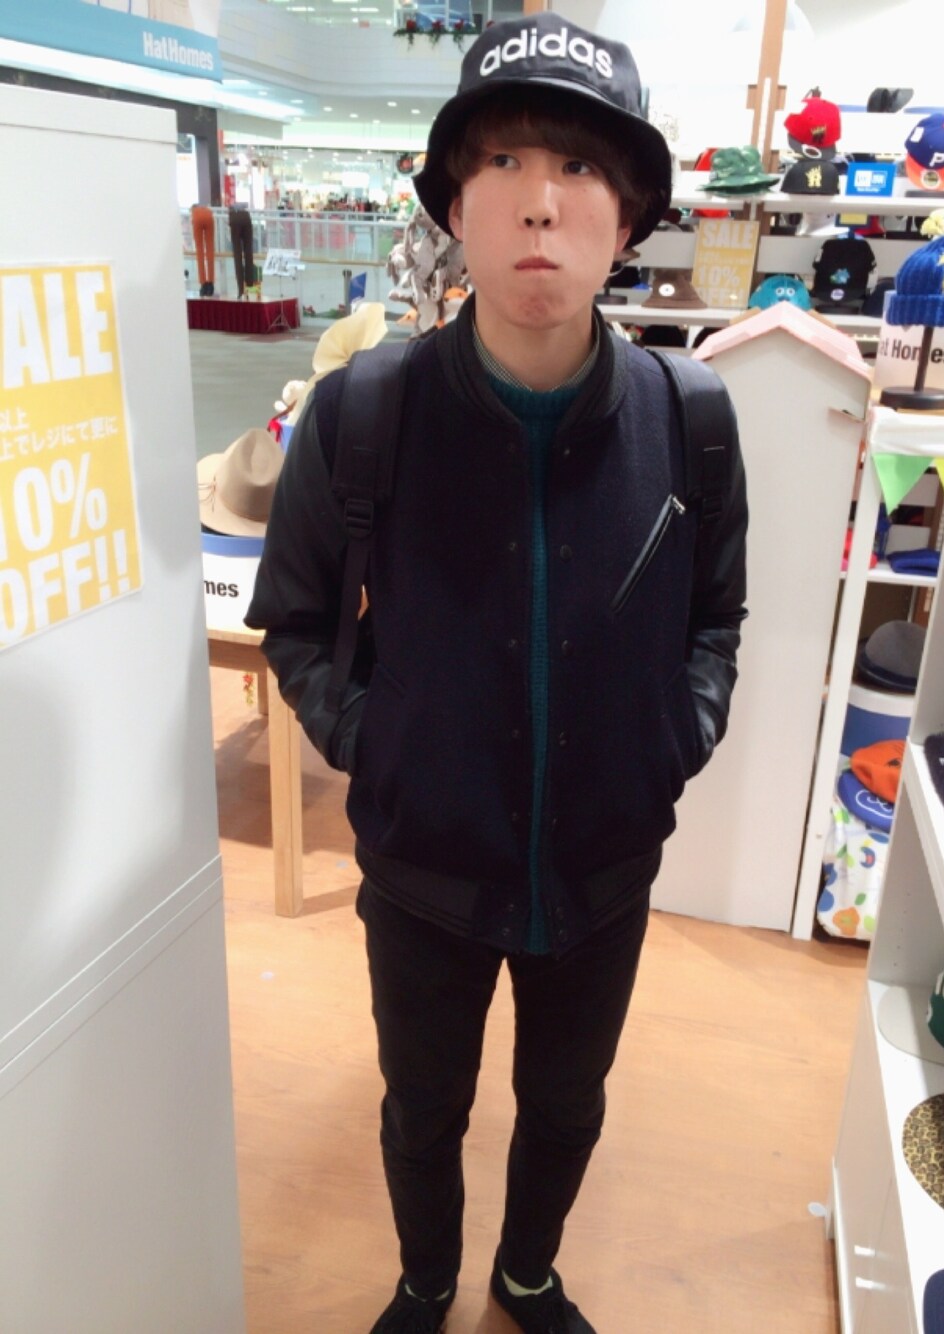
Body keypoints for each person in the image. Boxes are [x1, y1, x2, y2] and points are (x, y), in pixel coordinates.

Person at [246, 13, 748, 1332]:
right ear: (453, 205)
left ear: (628, 218)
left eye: (580, 167)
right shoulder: (365, 412)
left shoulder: (690, 418)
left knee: (568, 1102)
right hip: (423, 869)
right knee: (424, 1103)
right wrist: (381, 744)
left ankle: (526, 1274)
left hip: (606, 865)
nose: (541, 201)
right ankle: (425, 1280)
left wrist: (675, 736)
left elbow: (717, 617)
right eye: (506, 161)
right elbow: (293, 622)